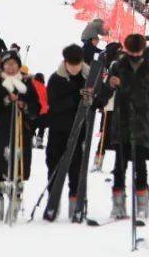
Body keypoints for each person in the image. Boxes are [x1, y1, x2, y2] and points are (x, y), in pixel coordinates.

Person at [101, 34, 149, 220]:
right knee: (119, 165)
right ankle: (119, 205)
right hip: (122, 121)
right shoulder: (117, 66)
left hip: (142, 122)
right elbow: (106, 90)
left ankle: (142, 205)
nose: (135, 54)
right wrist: (110, 85)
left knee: (140, 165)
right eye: (133, 50)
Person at [0, 50, 40, 222]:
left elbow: (36, 107)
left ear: (19, 66)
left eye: (14, 64)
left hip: (21, 130)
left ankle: (15, 205)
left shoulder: (27, 84)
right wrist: (4, 102)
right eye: (7, 64)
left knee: (19, 167)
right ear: (3, 66)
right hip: (0, 131)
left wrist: (24, 106)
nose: (10, 67)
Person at [45, 44, 96, 218]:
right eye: (71, 64)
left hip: (81, 131)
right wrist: (76, 97)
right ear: (65, 62)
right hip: (58, 131)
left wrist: (93, 97)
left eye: (77, 64)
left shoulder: (90, 77)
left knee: (77, 170)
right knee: (54, 167)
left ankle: (76, 205)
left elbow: (101, 100)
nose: (74, 68)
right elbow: (54, 105)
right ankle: (52, 203)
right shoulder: (56, 79)